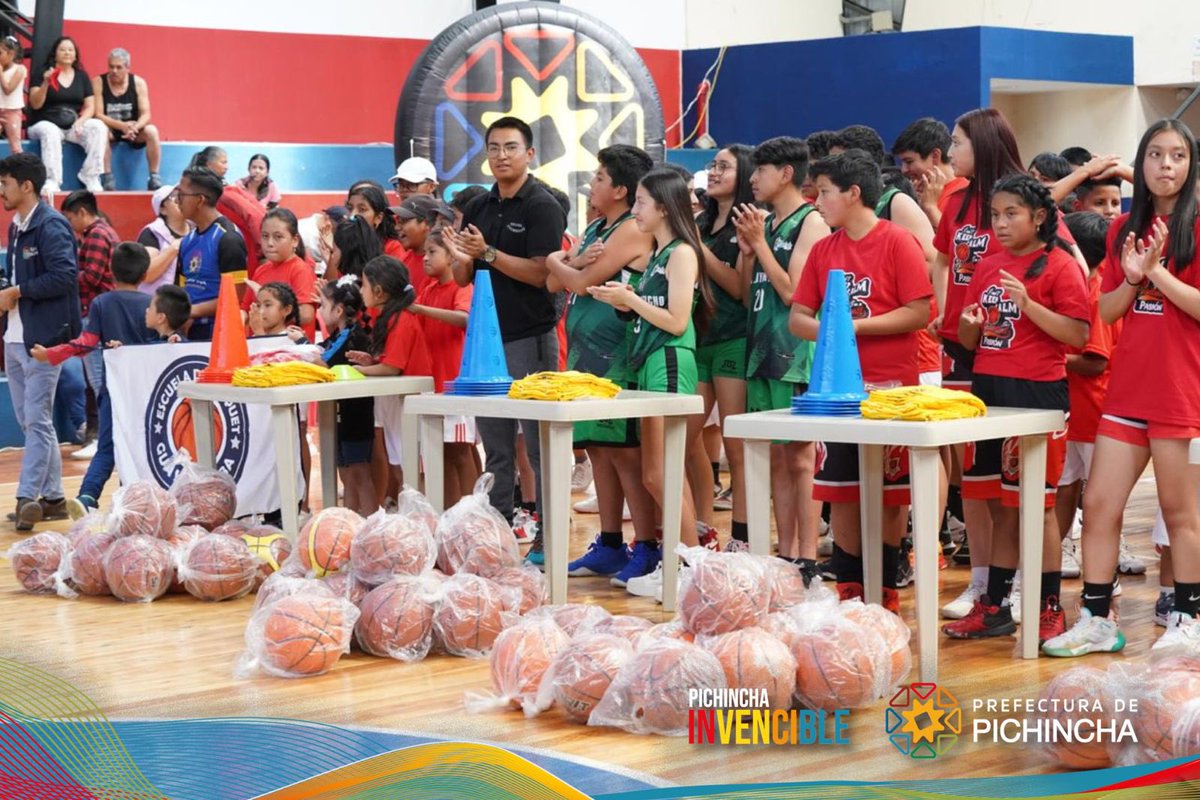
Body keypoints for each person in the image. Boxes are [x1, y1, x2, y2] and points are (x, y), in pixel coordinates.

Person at [1044, 119, 1200, 657]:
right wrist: (1133, 277)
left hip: (1185, 393)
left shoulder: (1199, 226)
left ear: (1189, 164)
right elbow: (1106, 311)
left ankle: (1189, 617)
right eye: (1155, 154)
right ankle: (1095, 618)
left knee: (1181, 515)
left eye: (1176, 156)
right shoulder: (1120, 230)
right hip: (1129, 391)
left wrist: (1155, 273)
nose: (1164, 165)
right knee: (1100, 502)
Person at [939, 175, 1089, 643]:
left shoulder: (1060, 266)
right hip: (989, 393)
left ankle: (1047, 607)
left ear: (1039, 217)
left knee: (1038, 506)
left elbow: (1079, 337)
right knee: (1001, 506)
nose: (1000, 224)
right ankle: (995, 608)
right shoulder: (987, 266)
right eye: (996, 215)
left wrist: (1029, 305)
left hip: (1038, 395)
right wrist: (968, 326)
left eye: (1011, 215)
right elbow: (970, 341)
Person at [790, 149, 933, 613]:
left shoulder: (897, 242)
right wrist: (833, 330)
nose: (817, 201)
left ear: (854, 194)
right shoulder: (825, 249)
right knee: (842, 493)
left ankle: (885, 592)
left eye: (825, 192)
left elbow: (919, 311)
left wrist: (851, 327)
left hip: (891, 390)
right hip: (835, 396)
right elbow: (798, 318)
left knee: (890, 495)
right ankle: (850, 592)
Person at [441, 116, 566, 558]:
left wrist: (488, 253)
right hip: (485, 345)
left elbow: (542, 274)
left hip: (528, 336)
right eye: (493, 148)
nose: (500, 156)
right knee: (495, 450)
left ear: (529, 154)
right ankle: (494, 542)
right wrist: (459, 256)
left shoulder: (542, 205)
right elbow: (464, 275)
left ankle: (549, 540)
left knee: (538, 446)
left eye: (510, 147)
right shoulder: (478, 207)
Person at [589, 168, 712, 595]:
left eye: (641, 202)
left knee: (661, 472)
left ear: (664, 207)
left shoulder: (682, 253)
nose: (635, 210)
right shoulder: (660, 254)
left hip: (670, 362)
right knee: (654, 473)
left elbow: (678, 321)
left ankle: (691, 565)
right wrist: (621, 303)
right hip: (648, 362)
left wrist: (631, 299)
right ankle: (682, 562)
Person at [544, 144, 657, 579]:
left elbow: (582, 280)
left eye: (599, 179)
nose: (591, 185)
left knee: (627, 454)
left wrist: (564, 261)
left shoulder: (631, 228)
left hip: (619, 351)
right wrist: (565, 261)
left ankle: (645, 545)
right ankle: (609, 542)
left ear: (621, 190)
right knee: (598, 449)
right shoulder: (594, 228)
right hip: (584, 351)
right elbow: (557, 280)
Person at [733, 136, 830, 575]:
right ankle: (787, 550)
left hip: (794, 353)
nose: (752, 179)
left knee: (800, 457)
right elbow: (744, 289)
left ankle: (808, 553)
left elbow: (794, 293)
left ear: (786, 173)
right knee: (776, 455)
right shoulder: (768, 224)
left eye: (760, 170)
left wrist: (762, 246)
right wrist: (747, 250)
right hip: (760, 347)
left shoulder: (810, 223)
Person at [31, 242, 159, 516]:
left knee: (106, 447)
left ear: (111, 271)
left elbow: (85, 343)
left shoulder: (102, 303)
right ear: (145, 274)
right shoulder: (152, 304)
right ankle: (134, 501)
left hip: (114, 392)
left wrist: (51, 354)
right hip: (146, 392)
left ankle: (87, 496)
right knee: (141, 445)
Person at [0, 152, 81, 530]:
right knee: (33, 422)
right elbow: (18, 275)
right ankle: (52, 499)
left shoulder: (52, 225)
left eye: (5, 183)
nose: (1, 190)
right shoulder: (17, 225)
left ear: (26, 186)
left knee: (37, 419)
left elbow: (65, 276)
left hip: (44, 339)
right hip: (15, 336)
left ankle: (27, 496)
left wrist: (17, 292)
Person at [1052, 211, 1122, 583]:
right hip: (1075, 415)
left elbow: (1095, 362)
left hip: (1095, 415)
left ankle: (1104, 579)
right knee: (1064, 491)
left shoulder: (1096, 293)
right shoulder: (1086, 289)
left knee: (1098, 501)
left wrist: (1047, 360)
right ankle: (1056, 556)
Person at [694, 145, 753, 552]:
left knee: (736, 443)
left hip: (733, 336)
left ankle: (744, 536)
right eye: (712, 165)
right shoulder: (700, 221)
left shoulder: (748, 223)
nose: (713, 172)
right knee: (685, 436)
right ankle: (700, 528)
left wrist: (697, 250)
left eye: (724, 167)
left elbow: (739, 289)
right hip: (697, 337)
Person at [348, 255, 432, 493]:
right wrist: (372, 361)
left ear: (378, 291)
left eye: (363, 285)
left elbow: (392, 368)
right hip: (395, 401)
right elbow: (389, 362)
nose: (360, 290)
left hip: (409, 402)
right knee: (399, 463)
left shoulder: (401, 319)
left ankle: (423, 520)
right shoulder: (388, 318)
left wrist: (360, 371)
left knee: (413, 468)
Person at [411, 229, 479, 504]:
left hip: (455, 383)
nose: (425, 258)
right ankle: (451, 513)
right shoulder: (428, 289)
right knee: (443, 452)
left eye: (432, 252)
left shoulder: (462, 287)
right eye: (425, 252)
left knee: (460, 451)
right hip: (435, 383)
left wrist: (421, 310)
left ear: (452, 255)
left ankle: (475, 513)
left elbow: (464, 319)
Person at [317, 277, 375, 516]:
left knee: (360, 472)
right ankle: (349, 524)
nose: (319, 311)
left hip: (356, 415)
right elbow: (322, 351)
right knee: (347, 475)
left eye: (322, 305)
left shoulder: (354, 337)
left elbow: (324, 362)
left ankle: (373, 524)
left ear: (338, 310)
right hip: (339, 415)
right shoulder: (337, 336)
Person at [173, 167, 248, 341]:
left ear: (199, 200)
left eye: (181, 194)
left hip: (219, 335)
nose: (177, 201)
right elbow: (183, 290)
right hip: (188, 333)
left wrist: (190, 312)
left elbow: (234, 298)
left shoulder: (228, 239)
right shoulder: (187, 241)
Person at [27, 36, 107, 194]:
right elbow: (35, 104)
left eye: (71, 50)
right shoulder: (42, 73)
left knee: (98, 126)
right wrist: (45, 83)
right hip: (44, 122)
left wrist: (81, 121)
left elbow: (90, 106)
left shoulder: (82, 76)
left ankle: (90, 175)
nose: (67, 53)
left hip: (71, 125)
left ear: (76, 55)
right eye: (62, 49)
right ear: (55, 54)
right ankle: (52, 180)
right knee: (49, 131)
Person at [93, 48, 162, 191]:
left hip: (133, 131)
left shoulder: (138, 83)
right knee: (101, 130)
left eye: (119, 67)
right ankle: (107, 177)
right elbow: (98, 114)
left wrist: (134, 127)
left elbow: (146, 114)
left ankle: (154, 176)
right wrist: (121, 126)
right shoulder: (98, 82)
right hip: (111, 129)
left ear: (127, 68)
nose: (114, 71)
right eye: (111, 66)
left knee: (152, 131)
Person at [241, 208, 317, 333]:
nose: (270, 243)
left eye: (278, 237)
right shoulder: (261, 270)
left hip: (288, 348)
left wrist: (268, 299)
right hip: (260, 344)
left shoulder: (300, 270)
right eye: (265, 236)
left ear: (295, 240)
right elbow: (245, 309)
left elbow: (306, 315)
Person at [891, 117, 970, 230]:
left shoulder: (966, 196)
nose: (904, 170)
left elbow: (958, 244)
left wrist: (930, 208)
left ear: (935, 156)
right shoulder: (914, 195)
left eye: (909, 162)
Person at [394, 193, 453, 295]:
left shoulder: (439, 265)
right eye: (397, 222)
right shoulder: (403, 261)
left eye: (403, 221)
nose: (397, 228)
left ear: (426, 224)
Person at [136, 184, 189, 293]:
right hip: (161, 301)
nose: (180, 200)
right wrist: (173, 249)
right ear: (162, 209)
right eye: (174, 197)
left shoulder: (198, 230)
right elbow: (147, 274)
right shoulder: (152, 233)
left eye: (182, 195)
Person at [347, 182, 406, 260]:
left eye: (362, 209)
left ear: (378, 218)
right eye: (350, 208)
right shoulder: (345, 244)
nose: (352, 215)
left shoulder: (392, 248)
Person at [325, 214, 381, 282]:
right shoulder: (376, 275)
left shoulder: (348, 286)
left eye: (333, 251)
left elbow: (328, 285)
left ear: (347, 253)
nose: (332, 256)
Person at [0, 36, 27, 155]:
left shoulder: (20, 69)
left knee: (15, 145)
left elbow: (8, 89)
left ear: (11, 54)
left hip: (12, 111)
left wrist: (0, 73)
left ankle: (20, 171)